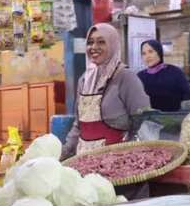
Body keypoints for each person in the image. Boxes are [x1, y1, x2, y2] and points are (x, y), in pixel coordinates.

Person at [62, 23, 151, 159]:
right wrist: (64, 152)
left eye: (101, 42)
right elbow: (78, 125)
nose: (93, 47)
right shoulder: (84, 80)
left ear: (113, 44)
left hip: (117, 163)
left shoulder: (125, 77)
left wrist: (131, 159)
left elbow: (144, 121)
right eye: (90, 42)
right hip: (85, 161)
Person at [138, 39, 190, 112]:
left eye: (151, 52)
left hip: (173, 119)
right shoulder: (139, 77)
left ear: (159, 52)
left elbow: (187, 99)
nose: (147, 56)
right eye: (144, 53)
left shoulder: (175, 72)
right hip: (148, 121)